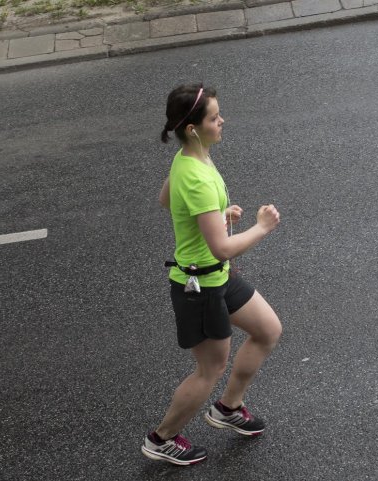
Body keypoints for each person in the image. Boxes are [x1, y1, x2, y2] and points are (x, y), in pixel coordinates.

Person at [141, 84, 282, 465]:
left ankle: (228, 408)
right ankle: (162, 438)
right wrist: (261, 227)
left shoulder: (192, 156)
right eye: (214, 117)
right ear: (192, 127)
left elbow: (167, 200)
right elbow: (221, 247)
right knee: (210, 368)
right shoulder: (197, 175)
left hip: (216, 275)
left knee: (268, 330)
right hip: (199, 284)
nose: (222, 121)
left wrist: (216, 217)